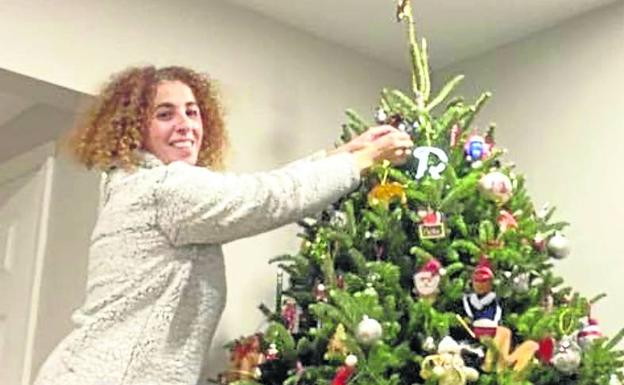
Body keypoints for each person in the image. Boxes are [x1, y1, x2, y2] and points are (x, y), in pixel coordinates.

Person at [34, 66, 413, 385]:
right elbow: (267, 197)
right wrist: (361, 161)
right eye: (164, 114)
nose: (185, 125)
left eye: (192, 112)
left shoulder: (133, 183)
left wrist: (345, 152)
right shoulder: (164, 189)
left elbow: (263, 186)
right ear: (135, 128)